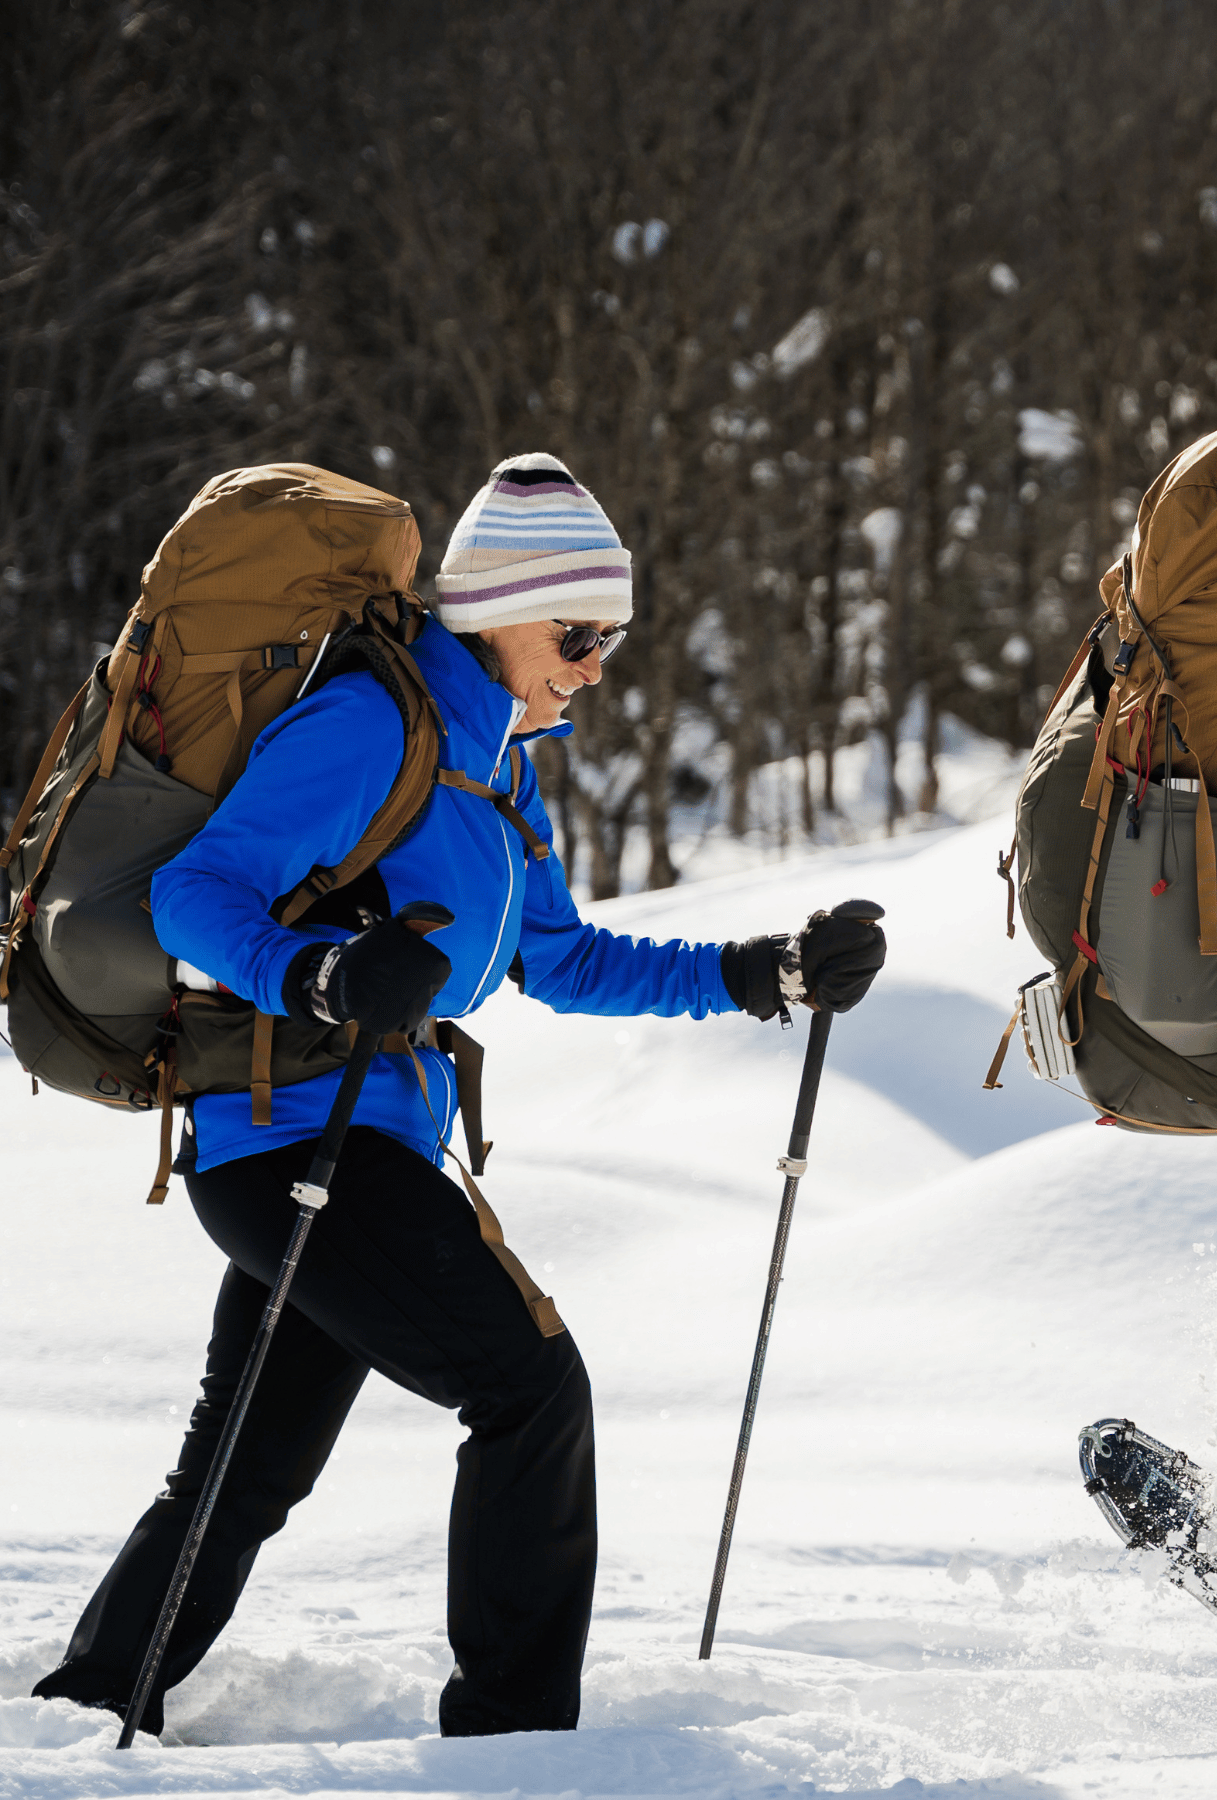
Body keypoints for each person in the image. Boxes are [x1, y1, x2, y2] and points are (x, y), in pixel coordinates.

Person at [32, 455, 887, 1739]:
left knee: (245, 1469)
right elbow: (193, 897)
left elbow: (565, 959)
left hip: (350, 1141)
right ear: (495, 611)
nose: (596, 665)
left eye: (612, 640)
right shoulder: (371, 726)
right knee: (531, 1389)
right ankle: (514, 1736)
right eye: (580, 632)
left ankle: (93, 1697)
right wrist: (317, 974)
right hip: (286, 1142)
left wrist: (759, 973)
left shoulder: (495, 765)